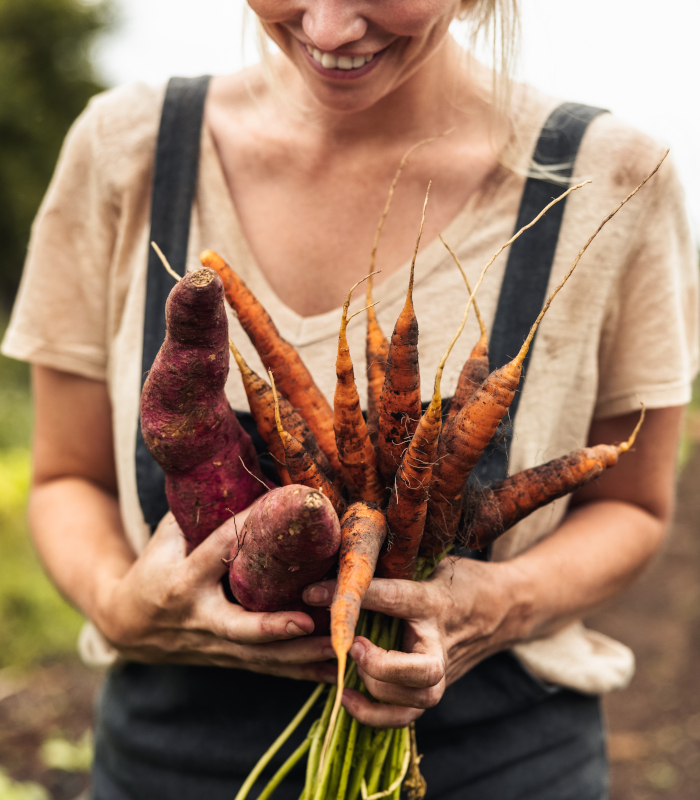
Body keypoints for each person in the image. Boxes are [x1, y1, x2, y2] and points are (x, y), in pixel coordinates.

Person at [2, 1, 697, 797]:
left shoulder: (612, 178)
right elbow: (64, 478)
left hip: (500, 769)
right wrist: (119, 609)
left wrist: (495, 603)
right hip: (167, 766)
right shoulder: (122, 149)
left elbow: (635, 508)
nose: (329, 28)